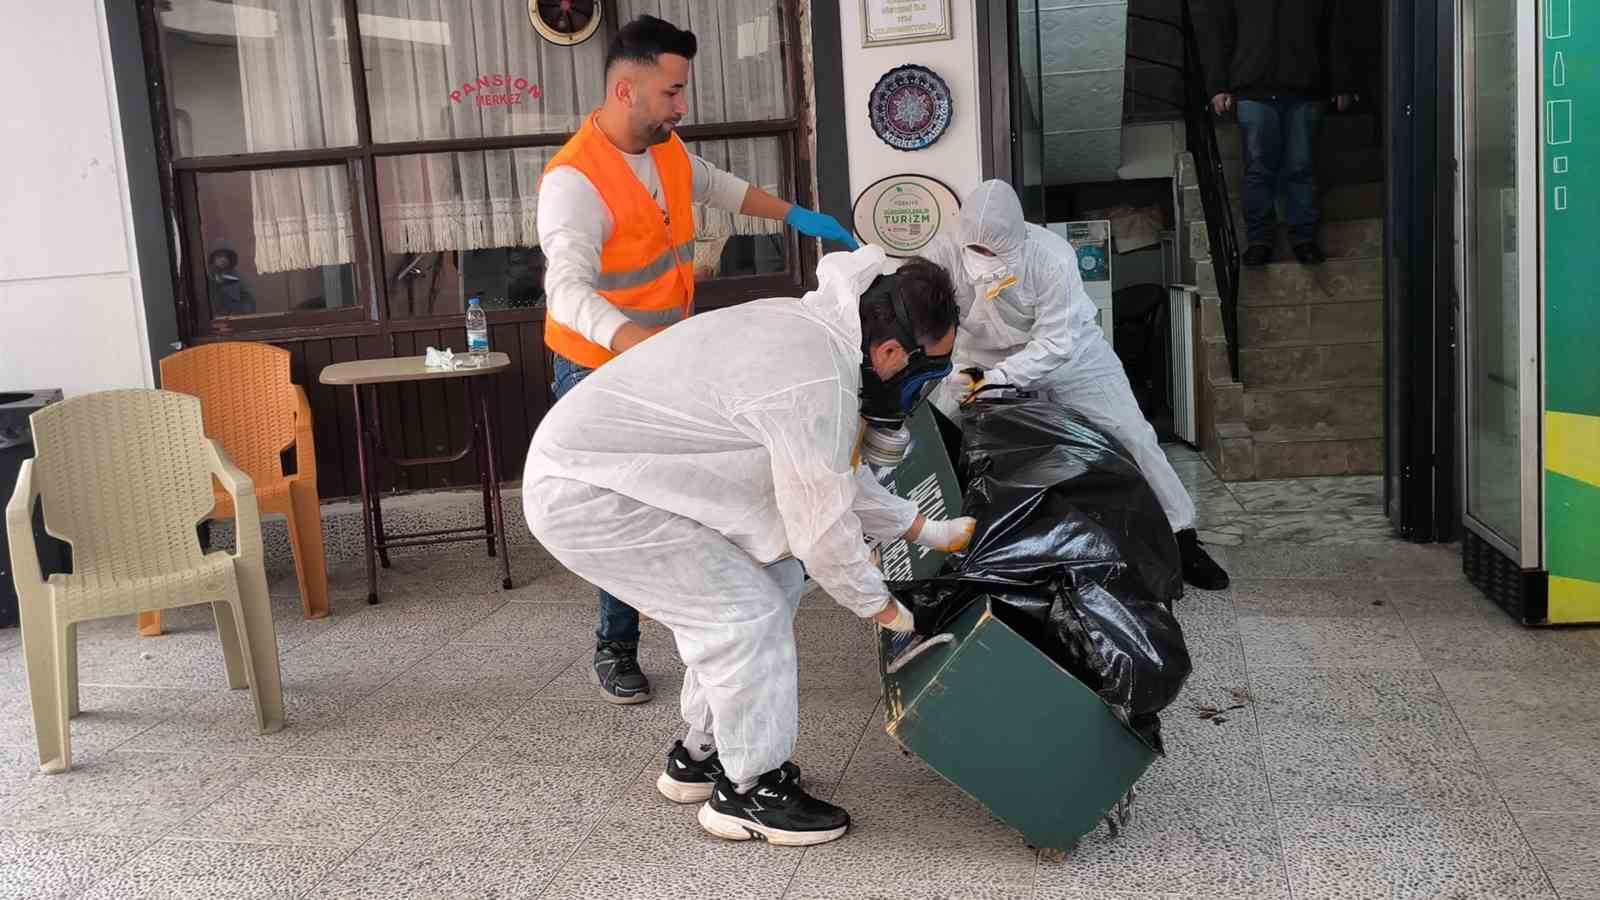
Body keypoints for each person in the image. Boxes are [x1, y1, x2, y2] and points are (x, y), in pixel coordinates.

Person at [523, 245, 973, 846]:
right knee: (743, 614)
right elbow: (824, 532)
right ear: (891, 351)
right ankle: (749, 790)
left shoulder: (816, 334)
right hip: (588, 491)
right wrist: (888, 611)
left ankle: (701, 753)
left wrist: (925, 530)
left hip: (620, 473)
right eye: (925, 371)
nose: (917, 386)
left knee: (776, 579)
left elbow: (831, 479)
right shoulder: (818, 375)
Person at [537, 15, 860, 704]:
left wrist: (796, 216)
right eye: (672, 92)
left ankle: (711, 615)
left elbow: (715, 186)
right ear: (627, 91)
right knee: (622, 505)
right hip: (599, 370)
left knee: (693, 487)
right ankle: (614, 646)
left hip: (662, 357)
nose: (681, 107)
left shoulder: (665, 150)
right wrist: (638, 352)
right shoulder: (574, 182)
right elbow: (566, 291)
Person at [923, 180, 1230, 591]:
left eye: (993, 252)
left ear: (1019, 238)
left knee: (1131, 435)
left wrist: (993, 381)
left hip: (1073, 356)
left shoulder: (1050, 257)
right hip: (979, 358)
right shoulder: (940, 255)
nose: (983, 259)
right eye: (975, 251)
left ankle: (1181, 537)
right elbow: (927, 325)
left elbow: (1055, 345)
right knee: (940, 428)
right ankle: (942, 544)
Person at [1194, 0, 1354, 266]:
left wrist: (1342, 82)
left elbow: (1335, 33)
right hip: (1252, 87)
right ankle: (1259, 241)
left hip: (1305, 88)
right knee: (1258, 169)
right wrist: (1218, 86)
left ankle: (1304, 239)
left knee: (1301, 168)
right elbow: (1220, 33)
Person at [207, 245, 256, 316]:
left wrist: (239, 313)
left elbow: (249, 301)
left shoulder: (239, 279)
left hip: (236, 320)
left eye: (226, 256)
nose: (223, 259)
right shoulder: (207, 280)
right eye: (219, 256)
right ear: (212, 259)